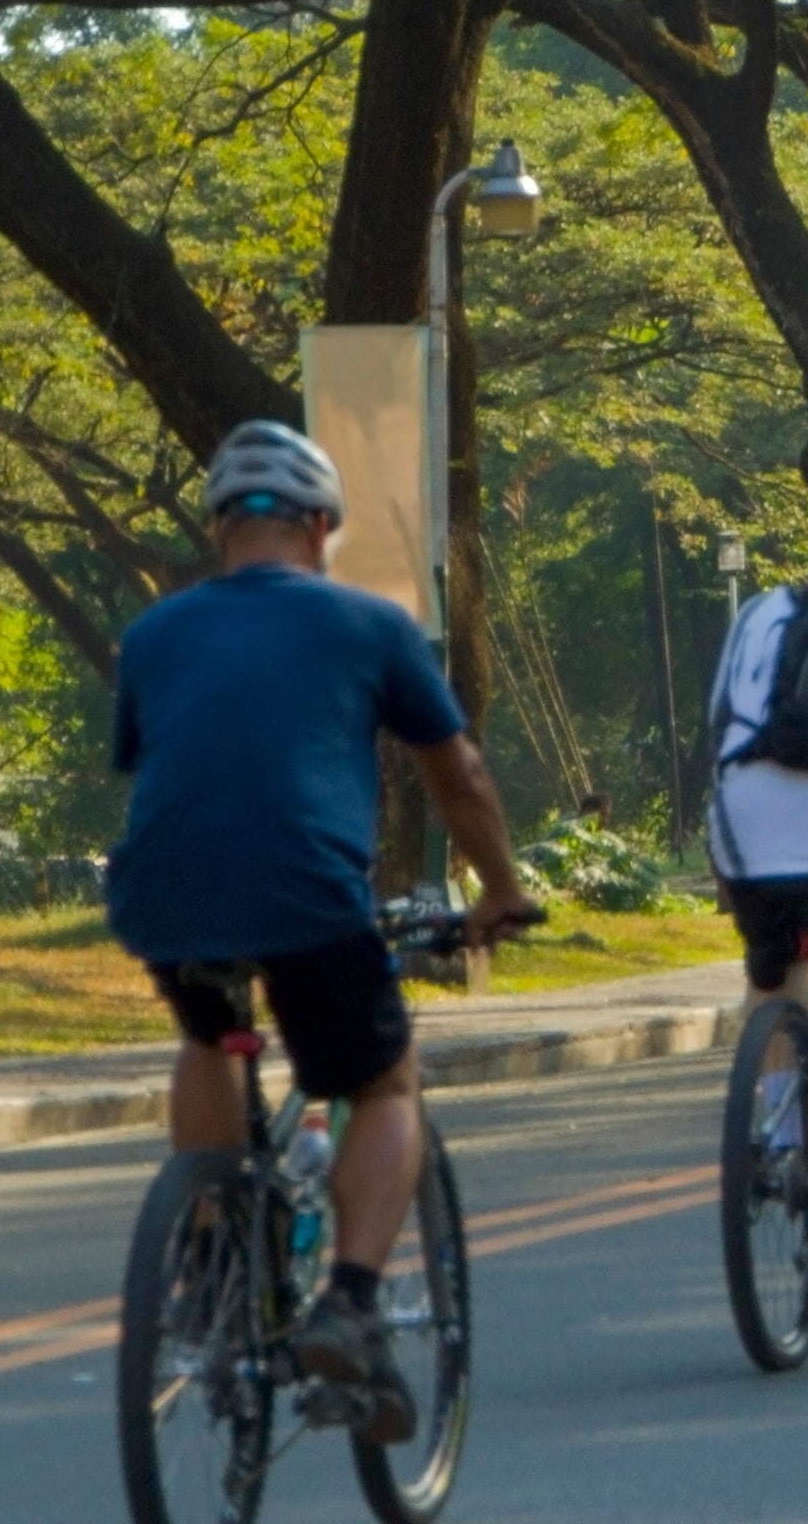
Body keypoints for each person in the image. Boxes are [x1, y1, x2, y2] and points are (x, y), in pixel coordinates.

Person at [113, 423, 545, 1441]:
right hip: (307, 892)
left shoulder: (152, 635)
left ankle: (215, 1254)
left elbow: (167, 761)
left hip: (165, 895)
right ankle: (348, 1300)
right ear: (320, 525)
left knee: (212, 1032)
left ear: (220, 527)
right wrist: (499, 892)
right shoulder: (369, 623)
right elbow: (460, 775)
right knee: (382, 1083)